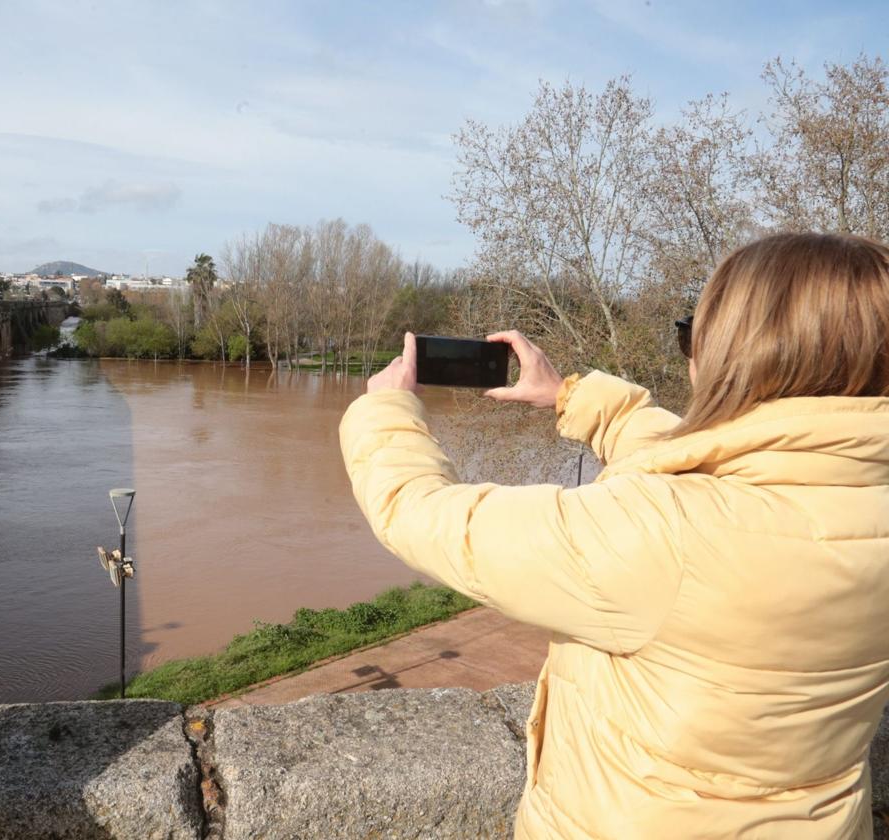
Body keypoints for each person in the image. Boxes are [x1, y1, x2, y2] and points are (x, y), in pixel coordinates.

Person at [339, 232, 889, 838]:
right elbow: (731, 456)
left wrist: (385, 411)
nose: (689, 354)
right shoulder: (859, 499)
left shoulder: (662, 533)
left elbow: (420, 513)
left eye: (692, 333)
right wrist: (572, 395)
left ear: (735, 355)